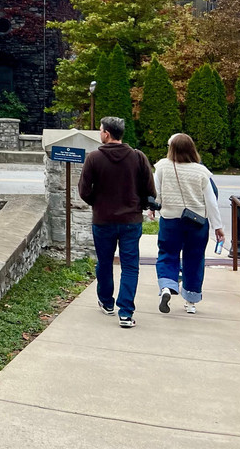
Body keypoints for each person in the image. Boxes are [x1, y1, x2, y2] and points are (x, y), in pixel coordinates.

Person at [78, 116, 156, 328]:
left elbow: (84, 191)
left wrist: (98, 203)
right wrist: (138, 203)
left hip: (103, 220)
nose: (100, 133)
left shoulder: (93, 158)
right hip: (131, 219)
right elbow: (150, 190)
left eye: (101, 130)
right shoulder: (138, 157)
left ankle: (106, 302)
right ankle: (126, 312)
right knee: (130, 266)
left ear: (107, 134)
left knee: (104, 262)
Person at [153, 133, 224, 315]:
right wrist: (218, 226)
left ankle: (167, 287)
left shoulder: (161, 167)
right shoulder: (202, 172)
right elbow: (211, 202)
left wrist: (153, 208)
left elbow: (156, 193)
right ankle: (191, 302)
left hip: (170, 220)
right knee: (194, 258)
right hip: (197, 222)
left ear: (171, 148)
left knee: (167, 254)